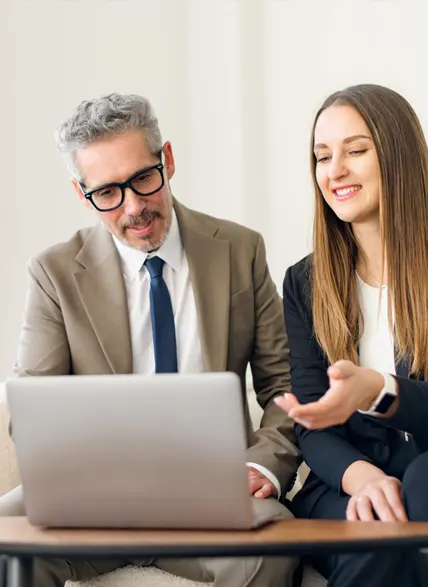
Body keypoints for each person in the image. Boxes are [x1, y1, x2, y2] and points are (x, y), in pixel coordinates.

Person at [8, 93, 300, 587]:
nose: (135, 207)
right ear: (83, 195)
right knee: (7, 539)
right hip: (93, 498)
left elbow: (285, 384)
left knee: (271, 551)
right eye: (108, 193)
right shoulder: (54, 273)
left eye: (143, 179)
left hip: (215, 492)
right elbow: (31, 408)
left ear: (166, 160)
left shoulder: (240, 251)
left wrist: (263, 464)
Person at [274, 83, 428, 587]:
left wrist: (380, 392)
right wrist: (360, 477)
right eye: (322, 156)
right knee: (370, 528)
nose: (334, 170)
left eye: (356, 150)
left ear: (398, 155)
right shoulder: (304, 283)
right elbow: (312, 420)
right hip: (347, 481)